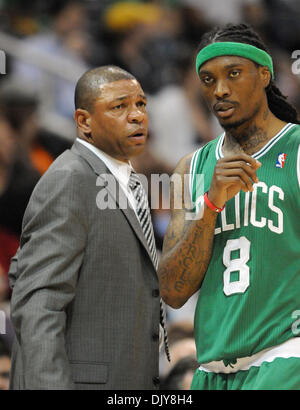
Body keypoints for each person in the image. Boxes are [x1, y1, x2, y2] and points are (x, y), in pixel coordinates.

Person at [158, 23, 300, 390]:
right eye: (207, 80)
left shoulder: (297, 151)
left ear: (264, 74)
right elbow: (173, 290)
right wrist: (210, 203)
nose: (219, 89)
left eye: (233, 74)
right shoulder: (190, 170)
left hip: (284, 358)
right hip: (211, 370)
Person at [9, 65, 168, 390]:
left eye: (140, 104)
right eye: (119, 106)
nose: (137, 115)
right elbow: (40, 300)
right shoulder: (72, 179)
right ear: (84, 121)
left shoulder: (126, 181)